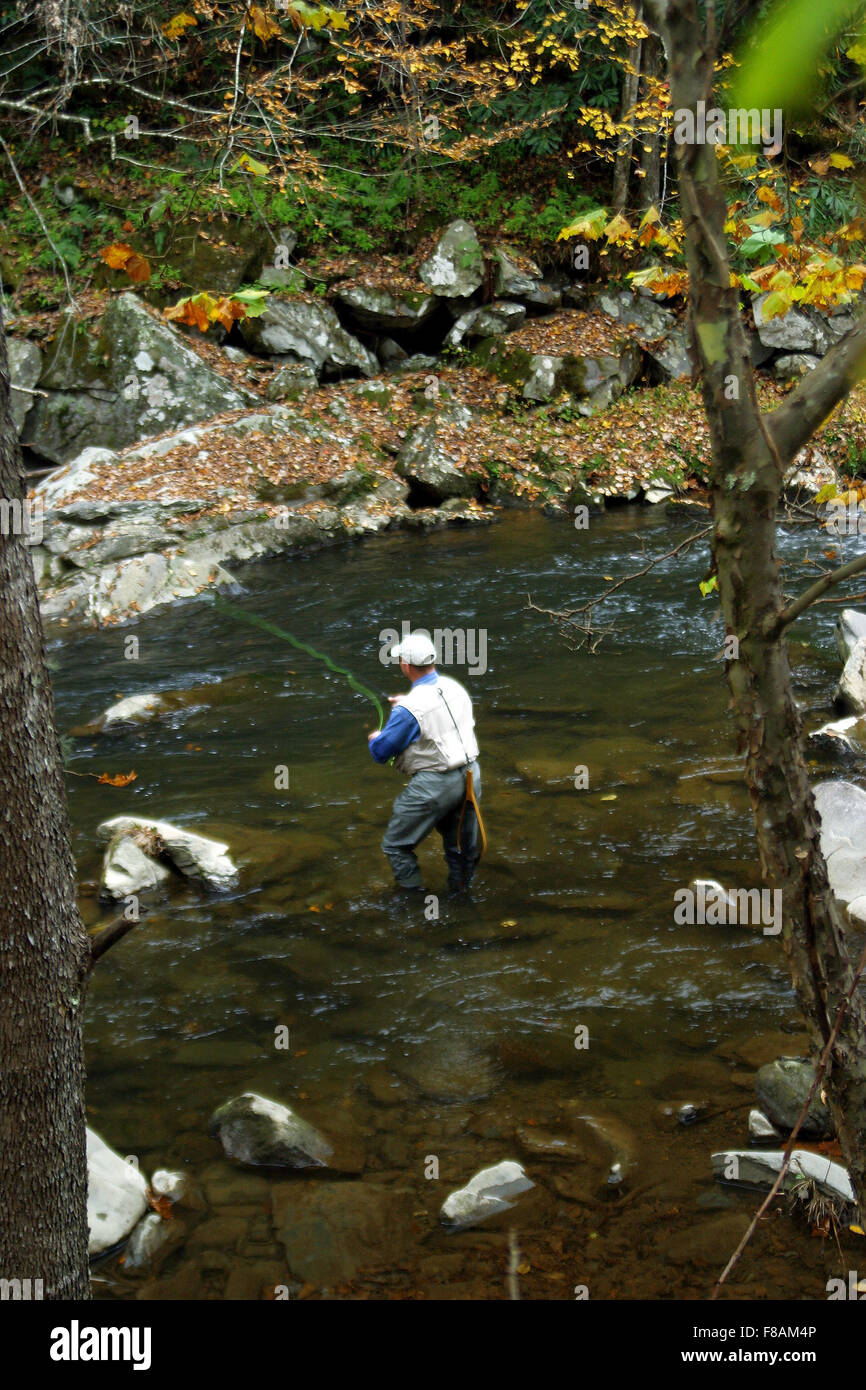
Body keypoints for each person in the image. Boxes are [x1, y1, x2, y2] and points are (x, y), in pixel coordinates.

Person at [368, 631, 481, 894]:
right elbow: (438, 713)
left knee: (396, 845)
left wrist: (376, 737)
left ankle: (413, 901)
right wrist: (406, 708)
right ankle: (461, 896)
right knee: (460, 847)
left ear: (405, 665)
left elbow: (381, 753)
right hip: (470, 776)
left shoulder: (409, 709)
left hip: (435, 785)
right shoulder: (455, 687)